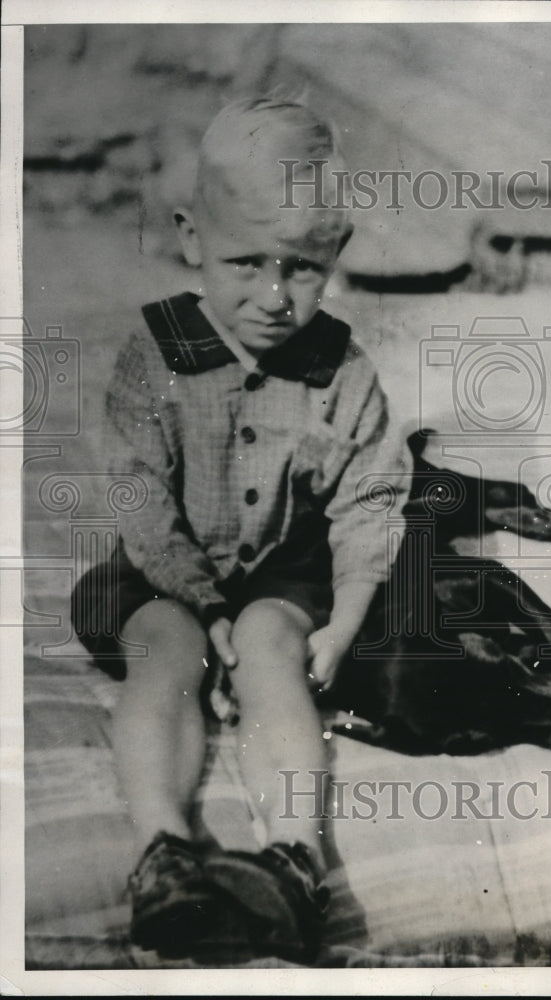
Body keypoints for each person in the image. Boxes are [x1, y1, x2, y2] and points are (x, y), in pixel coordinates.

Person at [71, 96, 411, 963]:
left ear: (335, 257)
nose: (271, 295)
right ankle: (163, 853)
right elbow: (137, 494)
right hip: (163, 569)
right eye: (244, 261)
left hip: (282, 574)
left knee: (271, 648)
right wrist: (198, 600)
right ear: (191, 239)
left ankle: (295, 858)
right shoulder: (154, 354)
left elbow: (369, 497)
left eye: (299, 268)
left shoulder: (343, 369)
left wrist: (348, 616)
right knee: (164, 647)